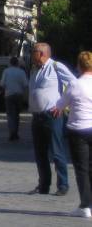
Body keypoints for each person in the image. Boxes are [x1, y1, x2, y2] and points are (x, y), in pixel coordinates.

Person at [28, 42, 76, 197]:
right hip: (37, 116)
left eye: (33, 51)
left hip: (52, 115)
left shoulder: (56, 66)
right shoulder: (34, 69)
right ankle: (44, 185)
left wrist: (63, 104)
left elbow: (74, 83)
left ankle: (63, 185)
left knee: (57, 151)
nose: (31, 54)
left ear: (41, 53)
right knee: (40, 153)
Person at [54, 51, 92, 218]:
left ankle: (85, 205)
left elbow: (61, 104)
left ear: (78, 66)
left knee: (82, 169)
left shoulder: (75, 84)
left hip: (78, 129)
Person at [1, 56, 29, 142]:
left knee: (10, 115)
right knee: (17, 115)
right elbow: (25, 84)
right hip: (18, 95)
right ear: (17, 63)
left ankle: (11, 133)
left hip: (9, 95)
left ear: (10, 63)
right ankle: (16, 133)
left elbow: (2, 83)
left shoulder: (6, 71)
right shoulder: (21, 72)